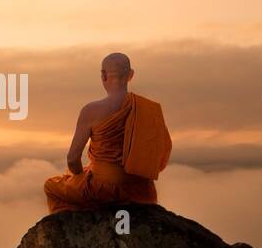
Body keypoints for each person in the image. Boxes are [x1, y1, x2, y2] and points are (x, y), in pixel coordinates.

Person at [43, 53, 172, 214]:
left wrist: (80, 178)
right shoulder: (149, 110)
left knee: (51, 186)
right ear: (131, 75)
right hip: (142, 191)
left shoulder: (91, 110)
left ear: (103, 75)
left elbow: (72, 158)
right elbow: (163, 154)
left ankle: (79, 230)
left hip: (103, 189)